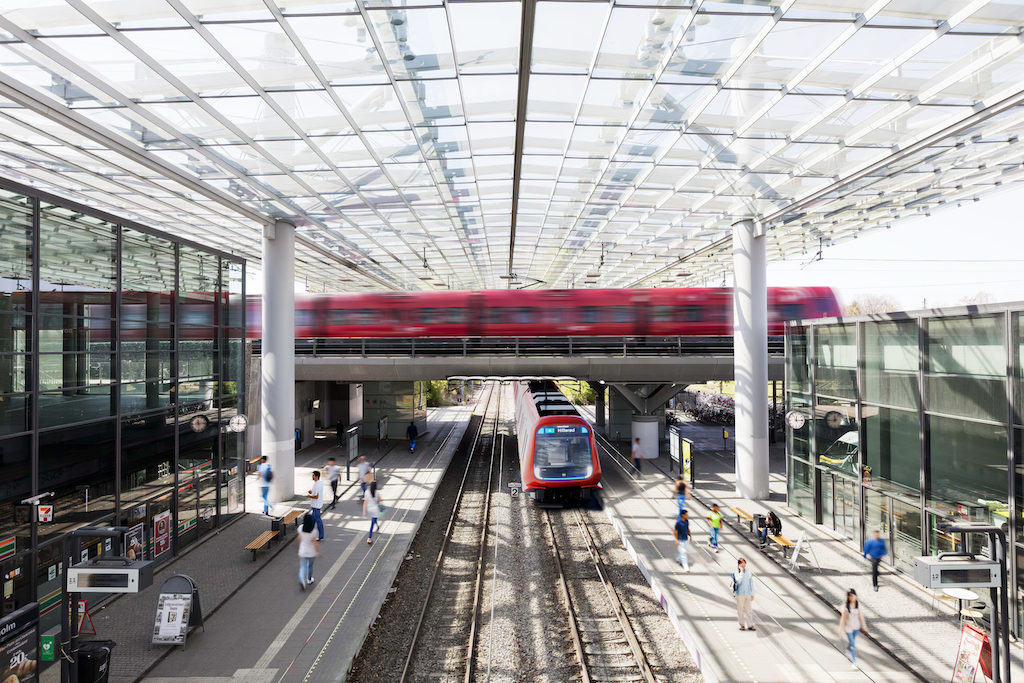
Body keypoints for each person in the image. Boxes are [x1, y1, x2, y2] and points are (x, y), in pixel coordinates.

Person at [838, 589, 868, 668]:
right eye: (850, 596)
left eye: (853, 596)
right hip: (848, 628)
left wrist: (864, 626)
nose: (852, 598)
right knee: (853, 645)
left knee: (852, 642)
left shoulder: (858, 604)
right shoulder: (845, 606)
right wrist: (840, 629)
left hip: (856, 627)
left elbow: (860, 615)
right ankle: (854, 662)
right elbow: (843, 618)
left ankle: (848, 651)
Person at [296, 513, 321, 590]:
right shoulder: (314, 531)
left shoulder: (301, 528)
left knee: (302, 566)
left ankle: (301, 579)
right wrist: (318, 552)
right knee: (310, 566)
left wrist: (299, 548)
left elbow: (299, 538)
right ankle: (309, 579)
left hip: (303, 550)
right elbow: (315, 543)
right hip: (311, 552)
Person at [732, 557, 755, 631]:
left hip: (748, 593)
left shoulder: (748, 573)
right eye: (741, 563)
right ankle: (742, 625)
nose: (743, 565)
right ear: (738, 565)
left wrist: (752, 594)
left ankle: (750, 625)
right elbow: (738, 581)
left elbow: (751, 584)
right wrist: (741, 572)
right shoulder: (736, 573)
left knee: (748, 610)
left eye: (744, 563)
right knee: (740, 610)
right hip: (740, 594)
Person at [363, 479, 384, 545]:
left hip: (369, 508)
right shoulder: (377, 492)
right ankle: (369, 538)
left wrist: (364, 511)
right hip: (375, 509)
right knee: (372, 523)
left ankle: (377, 526)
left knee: (374, 519)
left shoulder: (367, 492)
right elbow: (379, 500)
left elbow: (365, 502)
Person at [307, 471, 325, 540]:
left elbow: (316, 496)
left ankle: (320, 535)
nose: (312, 477)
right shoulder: (320, 483)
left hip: (316, 505)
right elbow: (317, 492)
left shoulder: (317, 485)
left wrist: (310, 496)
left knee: (318, 520)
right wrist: (312, 492)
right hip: (318, 504)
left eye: (313, 475)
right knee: (313, 519)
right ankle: (310, 532)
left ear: (316, 476)